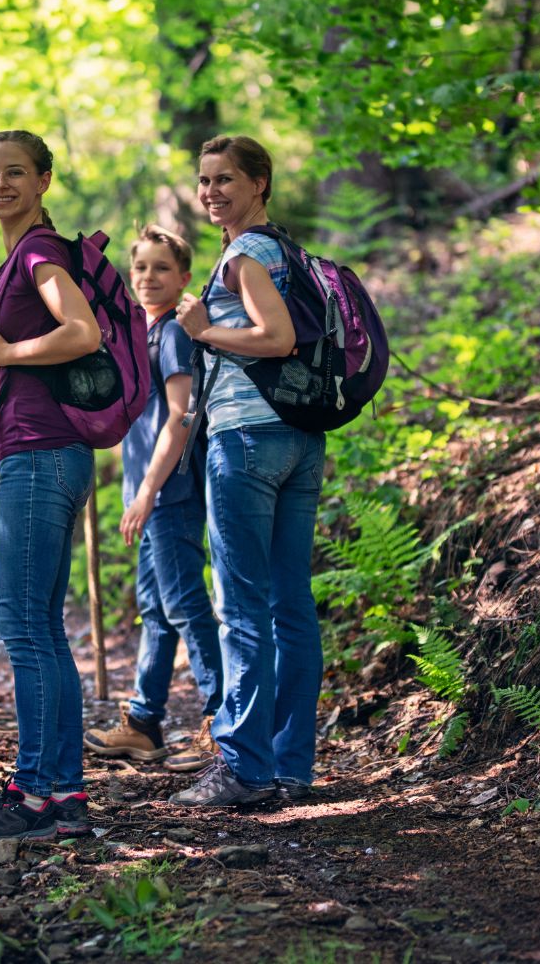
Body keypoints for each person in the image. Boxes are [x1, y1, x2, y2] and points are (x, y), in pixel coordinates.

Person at [0, 130, 101, 844]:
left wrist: (11, 351)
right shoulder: (22, 255)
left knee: (25, 627)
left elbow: (83, 331)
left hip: (41, 457)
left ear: (43, 180)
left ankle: (34, 793)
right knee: (42, 628)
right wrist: (10, 364)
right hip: (46, 454)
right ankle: (61, 792)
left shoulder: (39, 253)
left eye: (14, 172)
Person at [169, 136, 325, 808]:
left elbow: (278, 338)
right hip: (298, 437)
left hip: (247, 438)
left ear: (259, 183)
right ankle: (291, 764)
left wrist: (203, 331)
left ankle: (244, 767)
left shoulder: (244, 255)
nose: (211, 193)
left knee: (243, 608)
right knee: (291, 606)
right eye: (204, 182)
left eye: (225, 180)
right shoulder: (288, 251)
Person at [83, 225, 222, 773]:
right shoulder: (141, 334)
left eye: (162, 268)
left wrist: (146, 492)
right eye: (140, 267)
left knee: (187, 608)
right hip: (147, 493)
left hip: (171, 492)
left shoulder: (174, 337)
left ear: (184, 277)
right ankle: (143, 724)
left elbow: (181, 417)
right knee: (156, 612)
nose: (148, 277)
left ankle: (221, 723)